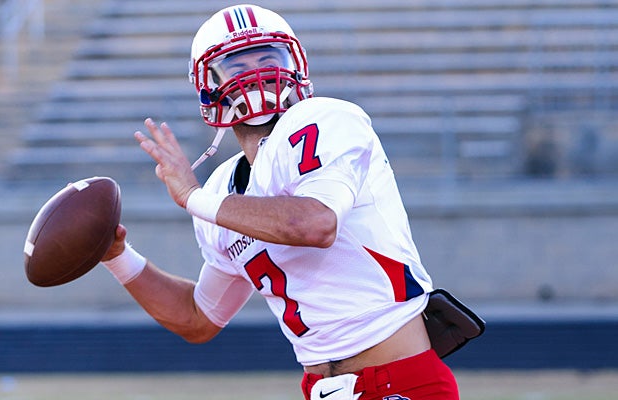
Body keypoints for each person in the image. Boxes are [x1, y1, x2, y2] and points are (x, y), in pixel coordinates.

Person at [101, 4, 460, 400]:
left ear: (295, 64)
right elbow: (198, 317)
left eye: (268, 57)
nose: (256, 73)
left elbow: (315, 224)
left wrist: (192, 196)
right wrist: (115, 255)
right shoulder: (221, 190)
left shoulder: (326, 120)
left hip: (401, 381)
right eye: (237, 65)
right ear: (209, 84)